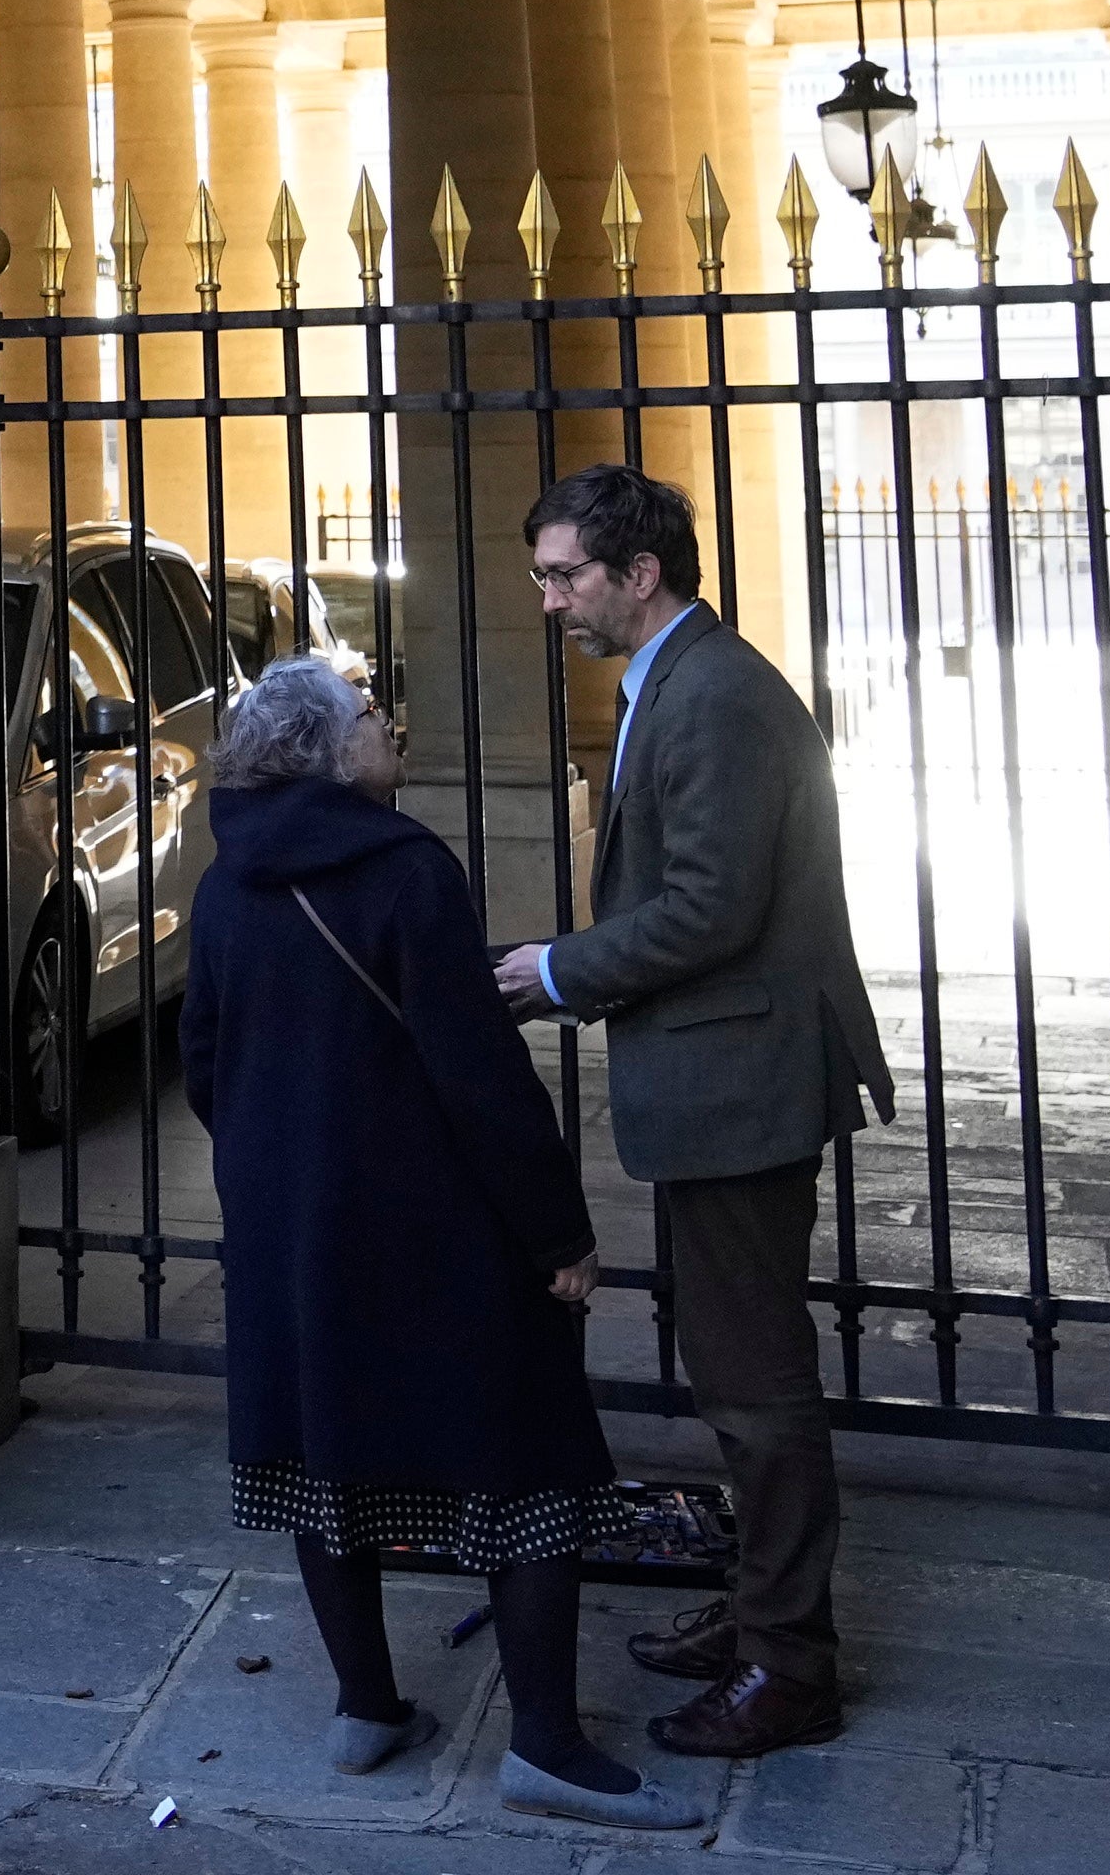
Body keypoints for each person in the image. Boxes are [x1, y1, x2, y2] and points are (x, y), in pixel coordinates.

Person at [181, 655, 680, 1829]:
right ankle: (548, 1745)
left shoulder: (224, 879)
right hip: (433, 1222)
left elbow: (205, 1061)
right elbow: (479, 1073)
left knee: (320, 1454)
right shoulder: (405, 872)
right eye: (364, 713)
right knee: (531, 1463)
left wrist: (285, 1162)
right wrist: (557, 1229)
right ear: (325, 749)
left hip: (288, 1226)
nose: (384, 721)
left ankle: (367, 1705)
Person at [491, 462, 892, 1761]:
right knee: (734, 1368)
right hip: (726, 1080)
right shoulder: (681, 679)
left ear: (638, 573)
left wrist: (557, 970)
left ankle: (790, 1665)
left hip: (744, 1084)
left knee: (756, 1384)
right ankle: (762, 1607)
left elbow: (712, 908)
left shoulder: (712, 695)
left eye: (565, 575)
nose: (551, 599)